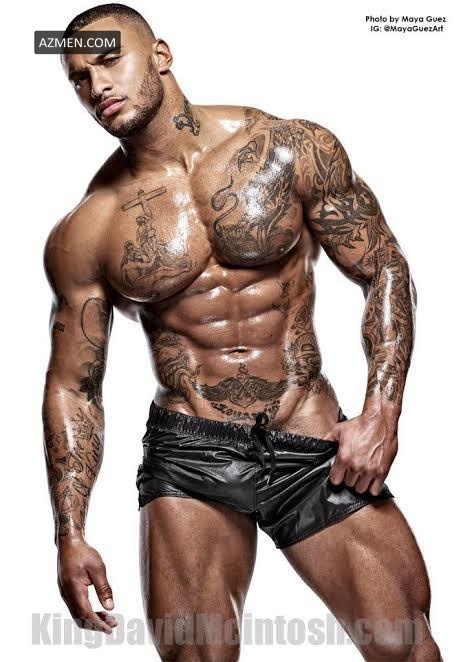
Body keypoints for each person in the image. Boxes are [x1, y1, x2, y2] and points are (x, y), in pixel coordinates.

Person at [42, 3, 442, 660]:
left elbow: (383, 268)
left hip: (310, 438)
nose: (98, 86)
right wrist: (70, 533)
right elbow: (73, 385)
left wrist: (382, 410)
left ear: (161, 54)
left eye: (110, 60)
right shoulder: (89, 227)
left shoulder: (288, 148)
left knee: (406, 647)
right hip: (190, 454)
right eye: (79, 78)